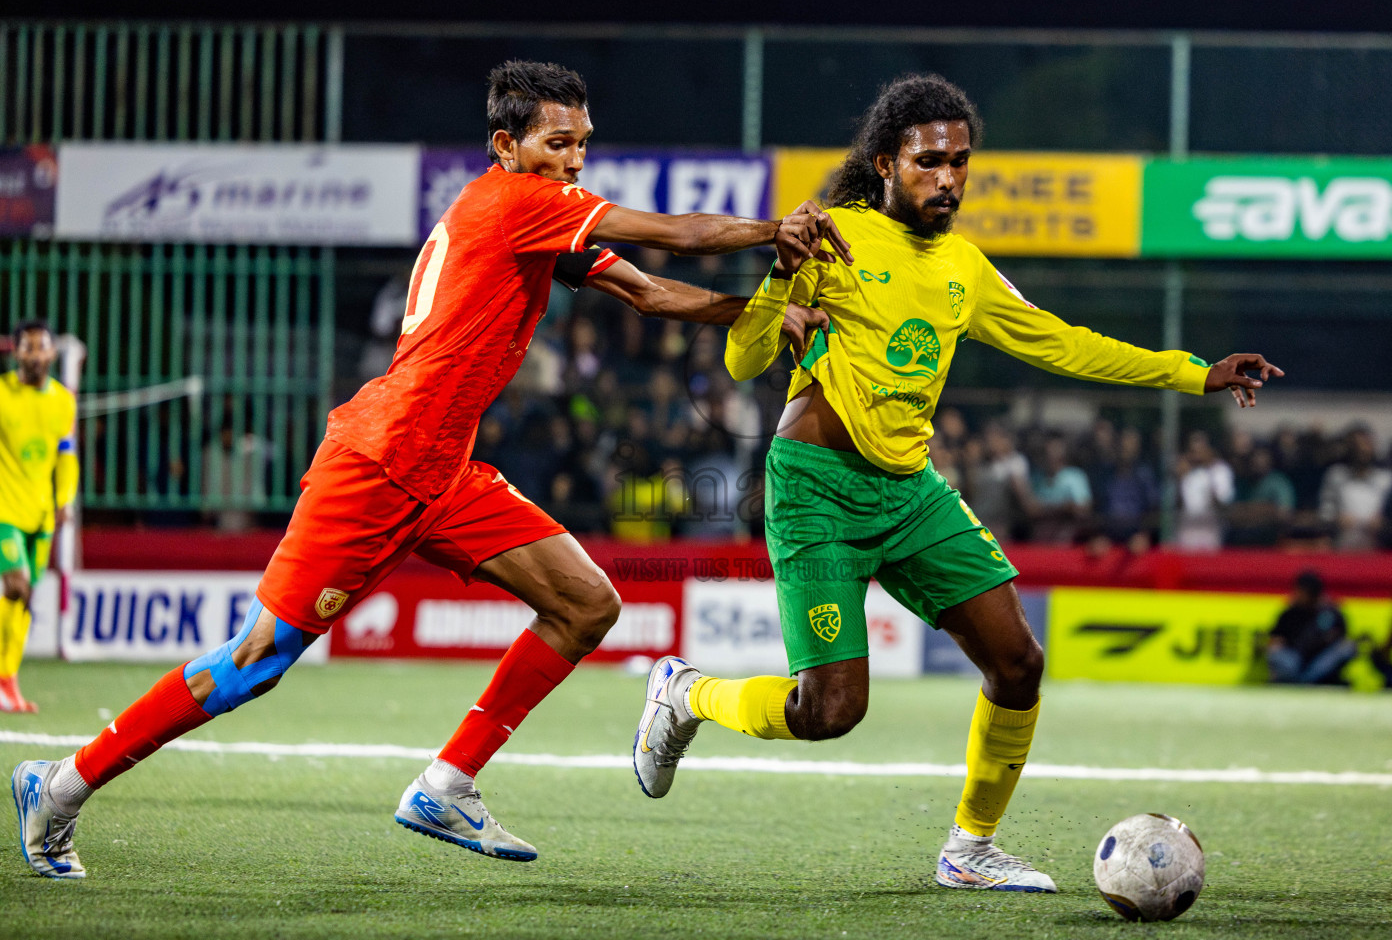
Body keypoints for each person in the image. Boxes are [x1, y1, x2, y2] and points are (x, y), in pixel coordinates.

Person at [11, 58, 847, 880]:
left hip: (444, 471)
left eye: (583, 143)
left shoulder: (537, 218)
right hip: (379, 463)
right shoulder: (518, 202)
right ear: (507, 146)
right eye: (558, 143)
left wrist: (767, 312)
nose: (574, 160)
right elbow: (682, 234)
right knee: (253, 661)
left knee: (586, 603)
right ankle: (61, 785)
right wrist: (774, 229)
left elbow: (652, 294)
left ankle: (447, 785)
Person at [629, 73, 1282, 894]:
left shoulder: (964, 267)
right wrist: (779, 281)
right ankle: (687, 694)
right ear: (886, 164)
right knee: (829, 712)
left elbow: (1063, 343)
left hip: (910, 489)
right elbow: (742, 359)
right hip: (816, 490)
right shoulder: (832, 237)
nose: (948, 178)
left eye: (960, 162)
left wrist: (1193, 373)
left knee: (1018, 662)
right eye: (929, 162)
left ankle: (970, 849)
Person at [0, 321, 79, 714]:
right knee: (15, 586)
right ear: (15, 352)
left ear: (52, 353)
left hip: (42, 514)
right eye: (27, 348)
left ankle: (7, 681)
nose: (35, 355)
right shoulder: (2, 394)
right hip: (5, 511)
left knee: (25, 597)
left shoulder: (63, 401)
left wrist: (64, 499)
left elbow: (67, 456)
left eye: (41, 347)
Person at [1267, 570, 1356, 685]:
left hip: (1320, 663)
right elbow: (1276, 640)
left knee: (1347, 647)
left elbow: (1341, 640)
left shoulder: (1331, 613)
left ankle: (1306, 680)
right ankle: (1301, 679)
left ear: (1313, 593)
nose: (1297, 594)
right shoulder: (1290, 613)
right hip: (1294, 662)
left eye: (1301, 591)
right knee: (1275, 651)